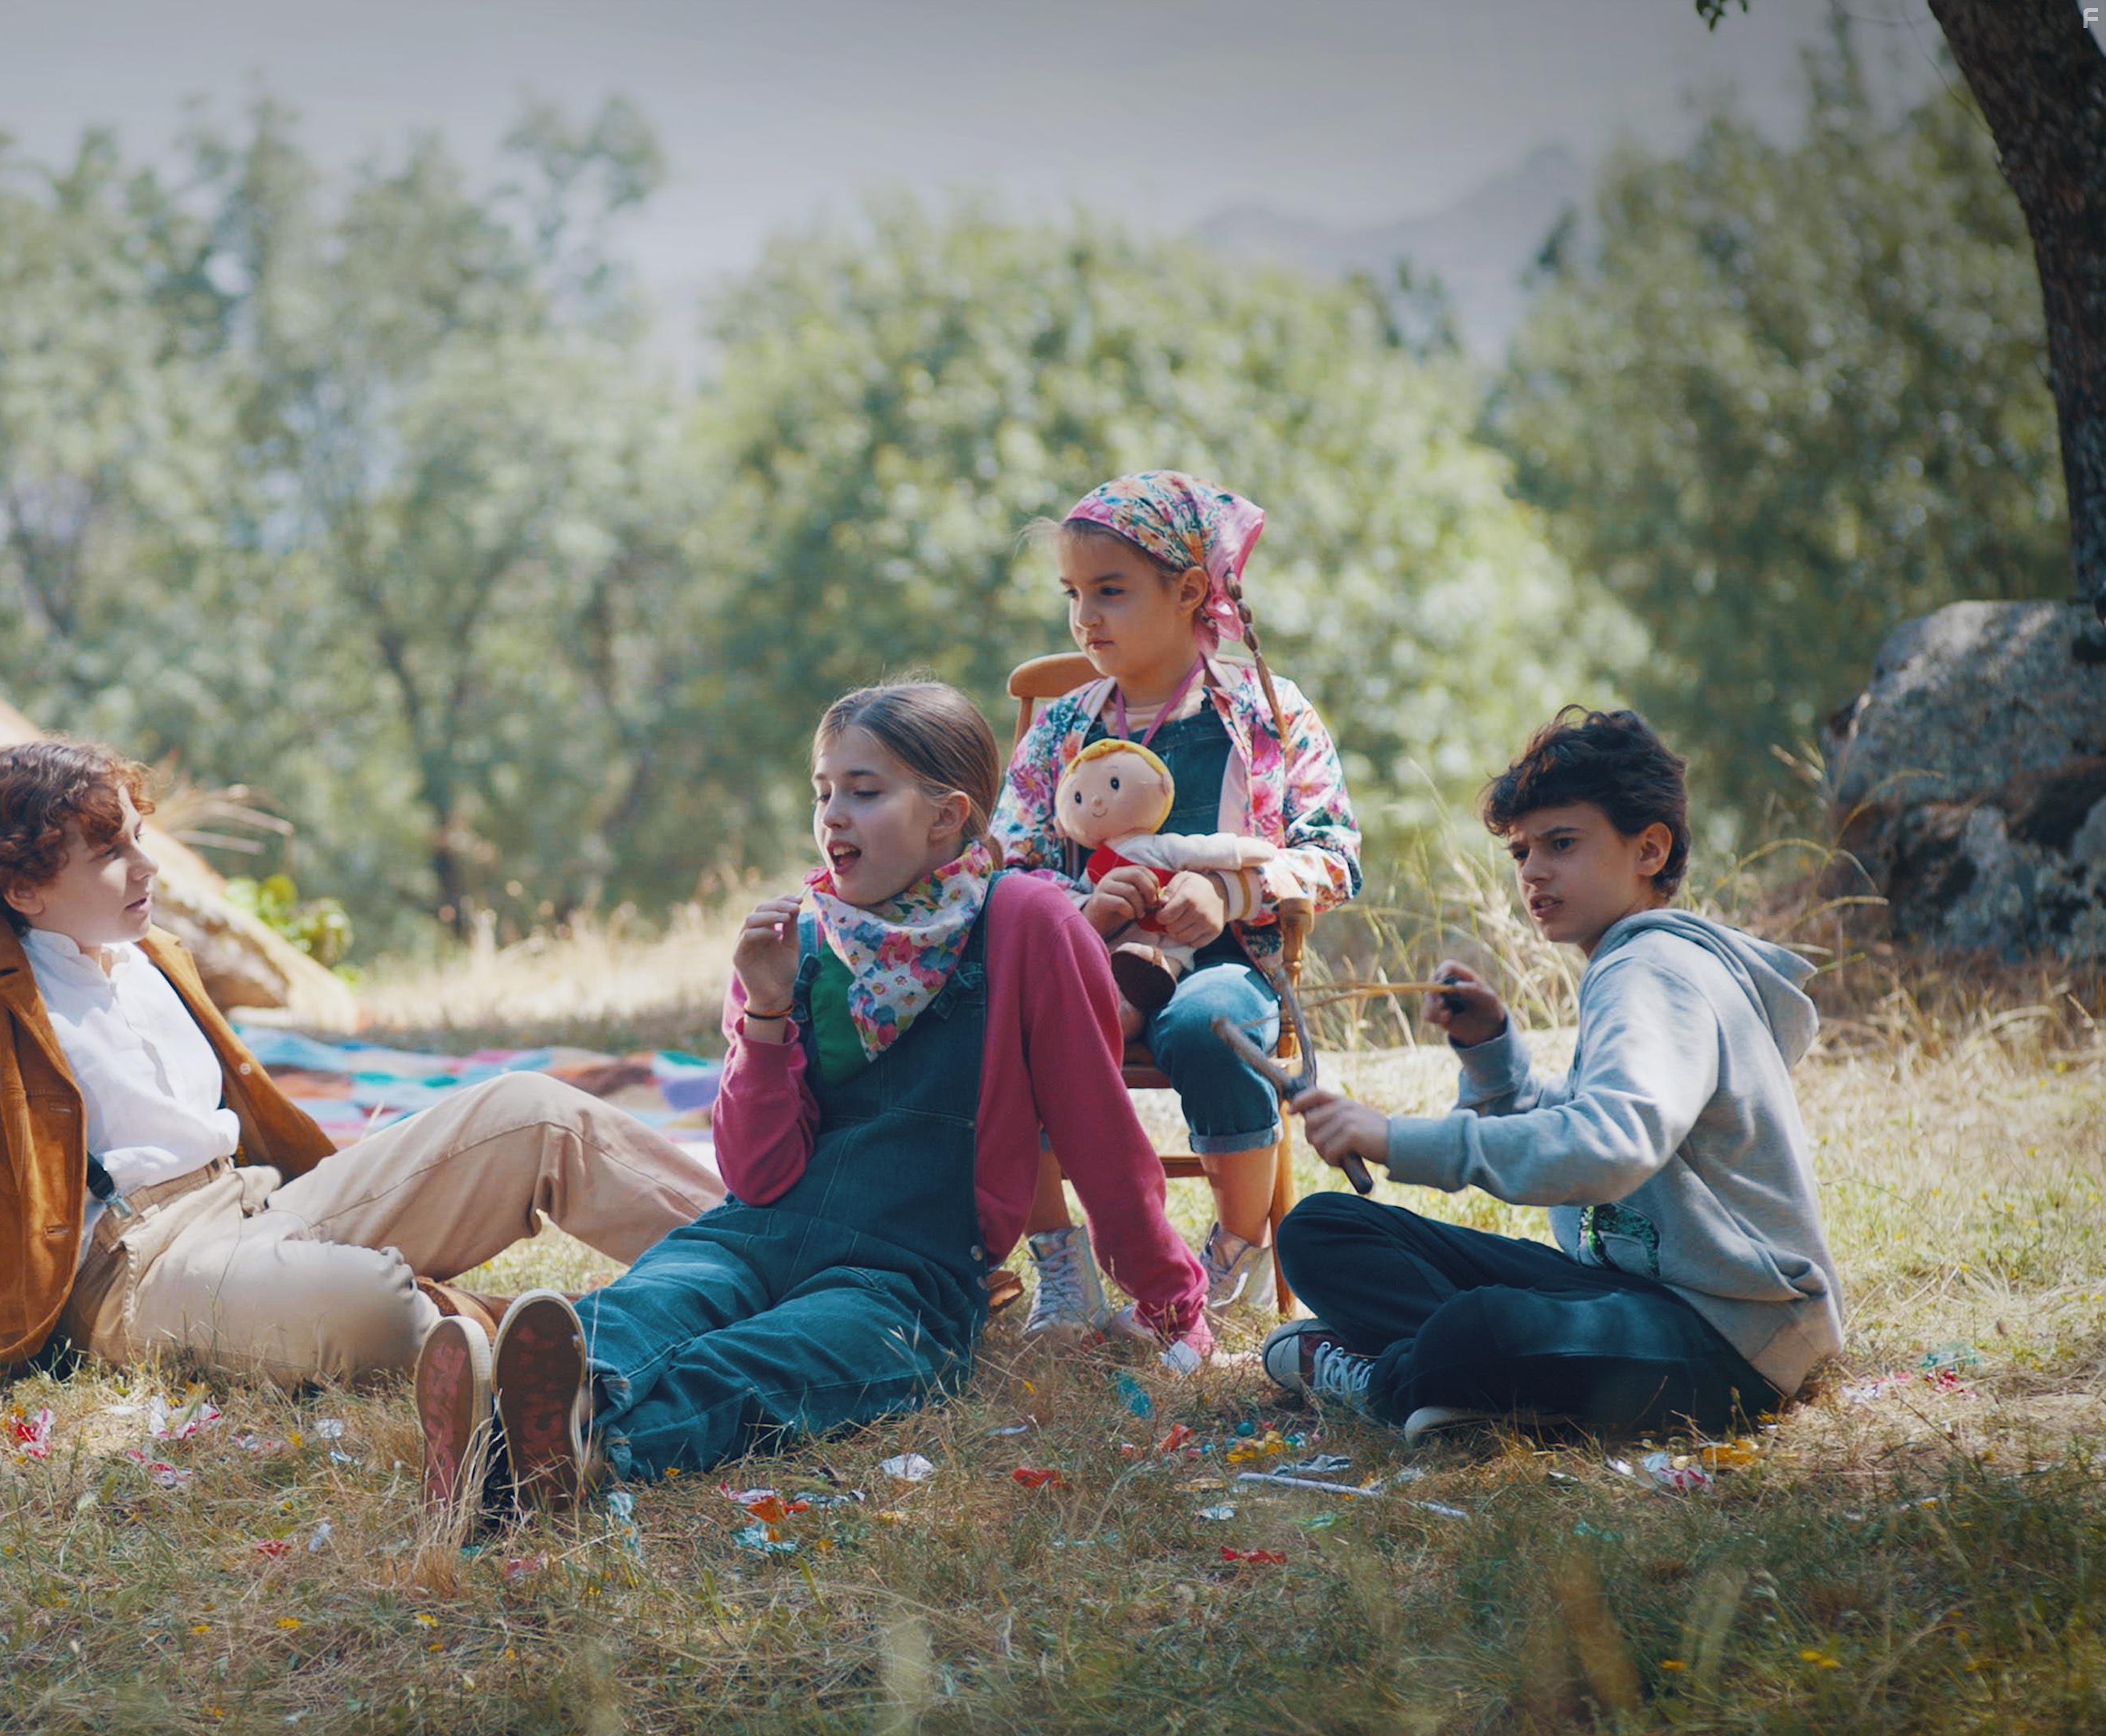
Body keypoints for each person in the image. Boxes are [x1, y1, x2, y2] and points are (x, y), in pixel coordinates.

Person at [412, 682, 1206, 1511]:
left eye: (865, 793)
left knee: (775, 1359)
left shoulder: (1030, 923)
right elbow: (755, 1174)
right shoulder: (799, 937)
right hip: (752, 1233)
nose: (833, 816)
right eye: (824, 792)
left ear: (947, 816)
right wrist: (764, 1009)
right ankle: (527, 1417)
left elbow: (1099, 1134)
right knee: (657, 1298)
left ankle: (563, 1447)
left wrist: (1170, 1297)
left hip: (901, 1279)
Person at [0, 737, 723, 1408]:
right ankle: (587, 1335)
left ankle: (783, 1254)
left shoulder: (156, 950)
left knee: (533, 1113)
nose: (147, 864)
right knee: (369, 1309)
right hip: (134, 1272)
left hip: (261, 1202)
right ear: (25, 886)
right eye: (111, 851)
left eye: (139, 836)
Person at [1264, 708, 1843, 1441]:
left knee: (1476, 1331)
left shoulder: (1652, 971)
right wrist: (1492, 1055)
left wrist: (1395, 1138)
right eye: (1521, 852)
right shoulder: (1628, 964)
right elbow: (1587, 1123)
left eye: (1562, 844)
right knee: (1322, 1229)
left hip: (1730, 1336)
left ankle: (1390, 1380)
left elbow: (1612, 1145)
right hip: (1628, 1293)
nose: (1535, 871)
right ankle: (1463, 1387)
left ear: (1649, 849)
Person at [989, 471, 1364, 1330]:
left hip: (1233, 964)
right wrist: (1084, 903)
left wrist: (1234, 888)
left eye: (1110, 592)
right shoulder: (1063, 725)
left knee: (1210, 1024)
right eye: (1073, 595)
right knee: (1020, 1023)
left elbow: (1336, 853)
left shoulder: (1267, 714)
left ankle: (1235, 1244)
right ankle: (1061, 1257)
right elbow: (1006, 865)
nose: (1086, 618)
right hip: (1091, 964)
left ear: (1190, 589)